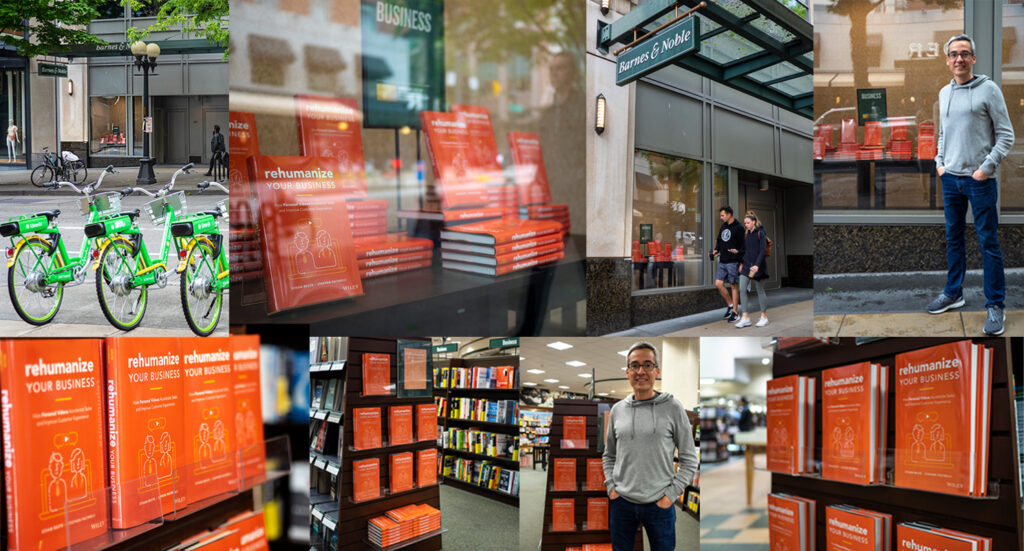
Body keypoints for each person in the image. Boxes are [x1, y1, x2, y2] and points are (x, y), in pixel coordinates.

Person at [926, 33, 1014, 335]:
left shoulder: (988, 89)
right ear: (948, 60)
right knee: (953, 239)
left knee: (988, 243)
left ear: (973, 58)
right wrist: (940, 163)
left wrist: (985, 168)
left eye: (964, 53)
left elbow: (1006, 135)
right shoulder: (943, 93)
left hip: (979, 181)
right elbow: (943, 133)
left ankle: (995, 304)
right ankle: (954, 293)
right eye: (953, 54)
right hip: (950, 179)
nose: (959, 59)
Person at [604, 342, 699, 551]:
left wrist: (670, 496)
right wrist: (611, 488)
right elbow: (609, 455)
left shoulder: (673, 408)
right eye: (635, 365)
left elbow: (690, 459)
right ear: (627, 371)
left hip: (659, 505)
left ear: (657, 370)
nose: (641, 371)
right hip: (622, 503)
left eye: (648, 365)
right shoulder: (618, 410)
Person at [736, 210, 769, 328]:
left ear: (754, 222)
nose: (746, 225)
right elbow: (745, 251)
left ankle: (764, 317)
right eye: (745, 223)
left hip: (758, 267)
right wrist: (741, 262)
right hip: (746, 266)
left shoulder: (760, 233)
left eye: (748, 223)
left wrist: (757, 265)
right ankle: (745, 317)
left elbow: (762, 250)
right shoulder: (746, 234)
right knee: (742, 289)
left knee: (760, 290)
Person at [711, 206, 744, 322]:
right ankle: (730, 305)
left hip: (733, 261)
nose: (721, 218)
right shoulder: (723, 226)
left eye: (722, 215)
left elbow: (743, 247)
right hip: (723, 260)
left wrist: (741, 262)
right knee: (718, 284)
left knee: (733, 286)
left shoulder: (739, 228)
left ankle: (735, 312)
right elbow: (719, 241)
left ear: (729, 214)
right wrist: (716, 250)